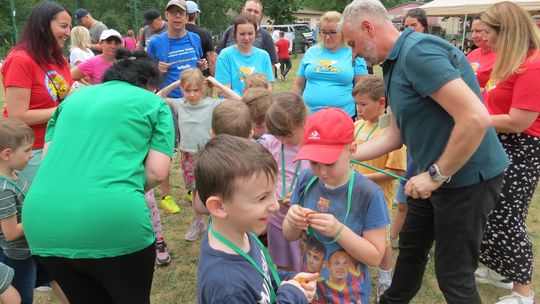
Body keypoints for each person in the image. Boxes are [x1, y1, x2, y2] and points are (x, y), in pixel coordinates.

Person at [340, 1, 509, 303]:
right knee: (410, 252)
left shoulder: (418, 53)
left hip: (466, 179)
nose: (353, 53)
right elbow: (396, 134)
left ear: (368, 27)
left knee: (453, 274)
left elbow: (475, 118)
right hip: (430, 177)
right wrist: (348, 154)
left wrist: (436, 175)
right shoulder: (391, 63)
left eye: (352, 43)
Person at [21, 50, 174, 303]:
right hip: (114, 221)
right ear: (150, 85)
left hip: (42, 224)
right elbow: (157, 172)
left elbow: (49, 160)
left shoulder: (70, 101)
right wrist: (119, 188)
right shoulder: (154, 103)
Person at [283, 107, 389, 304]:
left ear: (352, 150)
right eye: (314, 163)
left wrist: (338, 230)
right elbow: (290, 235)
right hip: (311, 289)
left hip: (349, 295)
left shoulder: (369, 194)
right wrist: (291, 220)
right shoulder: (307, 179)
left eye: (329, 163)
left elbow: (374, 257)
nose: (321, 171)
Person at [196, 134, 318, 303]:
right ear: (219, 207)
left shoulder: (240, 232)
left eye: (272, 193)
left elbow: (261, 278)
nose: (275, 205)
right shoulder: (228, 289)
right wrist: (293, 296)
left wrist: (290, 280)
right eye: (262, 198)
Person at [477, 3, 540, 304]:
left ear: (508, 32)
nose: (485, 39)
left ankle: (523, 292)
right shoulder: (509, 62)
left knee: (508, 216)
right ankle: (496, 270)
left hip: (522, 148)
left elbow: (520, 120)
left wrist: (475, 119)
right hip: (499, 143)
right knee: (488, 209)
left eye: (489, 33)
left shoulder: (533, 65)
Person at [158, 68, 240, 242]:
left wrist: (216, 83)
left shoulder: (212, 104)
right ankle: (198, 222)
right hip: (188, 155)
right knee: (195, 189)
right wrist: (175, 83)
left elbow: (239, 100)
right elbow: (156, 98)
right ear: (182, 90)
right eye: (188, 90)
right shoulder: (179, 103)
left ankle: (215, 222)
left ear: (202, 88)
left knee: (212, 188)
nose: (192, 95)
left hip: (209, 154)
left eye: (196, 90)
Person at [1, 1, 72, 184]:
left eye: (70, 27)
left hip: (59, 143)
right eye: (63, 26)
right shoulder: (20, 60)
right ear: (42, 26)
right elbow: (18, 115)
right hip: (30, 150)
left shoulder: (60, 60)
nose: (68, 33)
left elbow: (65, 96)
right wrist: (66, 108)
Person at [351, 75, 406, 301]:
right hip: (353, 195)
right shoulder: (357, 125)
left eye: (364, 104)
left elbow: (397, 172)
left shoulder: (392, 134)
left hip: (377, 198)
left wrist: (363, 179)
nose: (359, 109)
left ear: (381, 102)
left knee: (381, 242)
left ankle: (385, 279)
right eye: (357, 104)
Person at [261, 93, 311, 272]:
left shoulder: (313, 146)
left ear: (303, 122)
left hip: (302, 222)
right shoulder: (271, 143)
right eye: (277, 135)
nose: (282, 140)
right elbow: (266, 171)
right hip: (276, 218)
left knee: (305, 265)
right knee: (282, 264)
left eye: (287, 135)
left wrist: (300, 194)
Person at [0, 118, 47, 304]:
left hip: (31, 249)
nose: (31, 155)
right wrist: (39, 217)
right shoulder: (4, 190)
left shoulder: (14, 174)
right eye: (27, 151)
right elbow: (10, 234)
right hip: (17, 256)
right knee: (22, 298)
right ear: (7, 154)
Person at [292, 11, 367, 118]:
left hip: (342, 117)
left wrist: (361, 118)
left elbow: (362, 88)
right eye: (323, 32)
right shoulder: (311, 52)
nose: (327, 37)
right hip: (309, 116)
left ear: (342, 32)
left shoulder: (353, 53)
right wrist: (294, 108)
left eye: (332, 32)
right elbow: (298, 85)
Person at [147, 0, 205, 98]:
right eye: (173, 12)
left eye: (181, 13)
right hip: (170, 103)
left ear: (186, 17)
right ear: (166, 15)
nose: (177, 16)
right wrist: (157, 70)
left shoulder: (195, 39)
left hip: (193, 101)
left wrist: (202, 65)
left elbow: (198, 65)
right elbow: (148, 78)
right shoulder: (155, 43)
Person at [215, 13, 274, 96]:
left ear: (256, 34)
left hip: (260, 105)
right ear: (235, 34)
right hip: (234, 106)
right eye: (242, 34)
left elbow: (269, 88)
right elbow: (225, 92)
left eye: (250, 33)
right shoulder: (225, 55)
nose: (246, 38)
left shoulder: (264, 56)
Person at [215, 0, 278, 68]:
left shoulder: (265, 36)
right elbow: (218, 55)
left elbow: (271, 65)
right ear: (243, 10)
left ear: (260, 15)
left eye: (256, 12)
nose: (252, 13)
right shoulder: (230, 30)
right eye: (249, 10)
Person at [186, 1, 217, 76]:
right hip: (201, 77)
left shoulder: (176, 33)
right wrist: (213, 78)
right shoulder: (204, 33)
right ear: (196, 14)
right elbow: (212, 59)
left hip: (181, 78)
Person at [467, 13, 496, 90]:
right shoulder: (473, 53)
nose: (473, 36)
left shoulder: (502, 57)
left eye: (478, 31)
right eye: (472, 31)